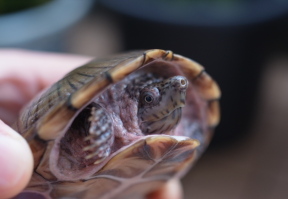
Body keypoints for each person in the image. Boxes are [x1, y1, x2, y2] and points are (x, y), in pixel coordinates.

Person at [0, 49, 183, 199]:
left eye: (179, 102)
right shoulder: (101, 111)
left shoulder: (186, 121)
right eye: (150, 98)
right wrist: (98, 135)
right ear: (131, 101)